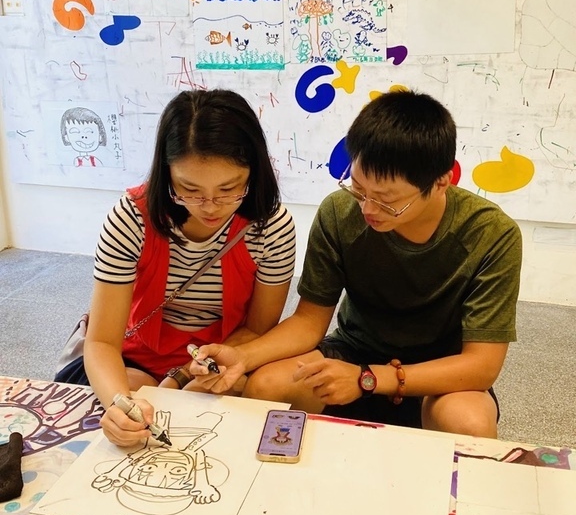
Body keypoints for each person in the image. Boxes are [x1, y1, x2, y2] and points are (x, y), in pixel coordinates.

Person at [186, 90, 522, 438]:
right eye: (359, 189)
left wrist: (368, 378)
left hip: (440, 371)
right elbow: (308, 321)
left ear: (441, 183)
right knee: (267, 386)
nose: (368, 209)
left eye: (387, 201)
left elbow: (481, 365)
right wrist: (244, 357)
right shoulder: (339, 213)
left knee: (469, 423)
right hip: (354, 352)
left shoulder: (491, 233)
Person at [55, 89, 295, 447]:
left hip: (218, 358)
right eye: (189, 189)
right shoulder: (132, 217)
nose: (210, 206)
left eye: (229, 188)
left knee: (227, 406)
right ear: (166, 172)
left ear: (254, 172)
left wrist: (181, 377)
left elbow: (257, 329)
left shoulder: (270, 226)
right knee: (132, 408)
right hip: (133, 357)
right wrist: (120, 404)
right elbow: (102, 341)